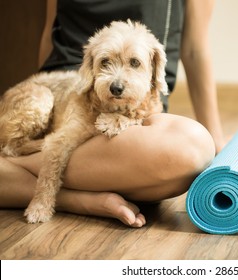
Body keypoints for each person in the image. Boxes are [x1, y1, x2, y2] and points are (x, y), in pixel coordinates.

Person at [0, 0, 225, 227]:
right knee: (170, 168)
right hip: (75, 81)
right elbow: (52, 30)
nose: (118, 79)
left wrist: (217, 142)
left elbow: (195, 50)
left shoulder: (151, 68)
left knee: (190, 151)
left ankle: (12, 169)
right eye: (106, 62)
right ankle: (77, 199)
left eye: (135, 62)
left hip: (138, 101)